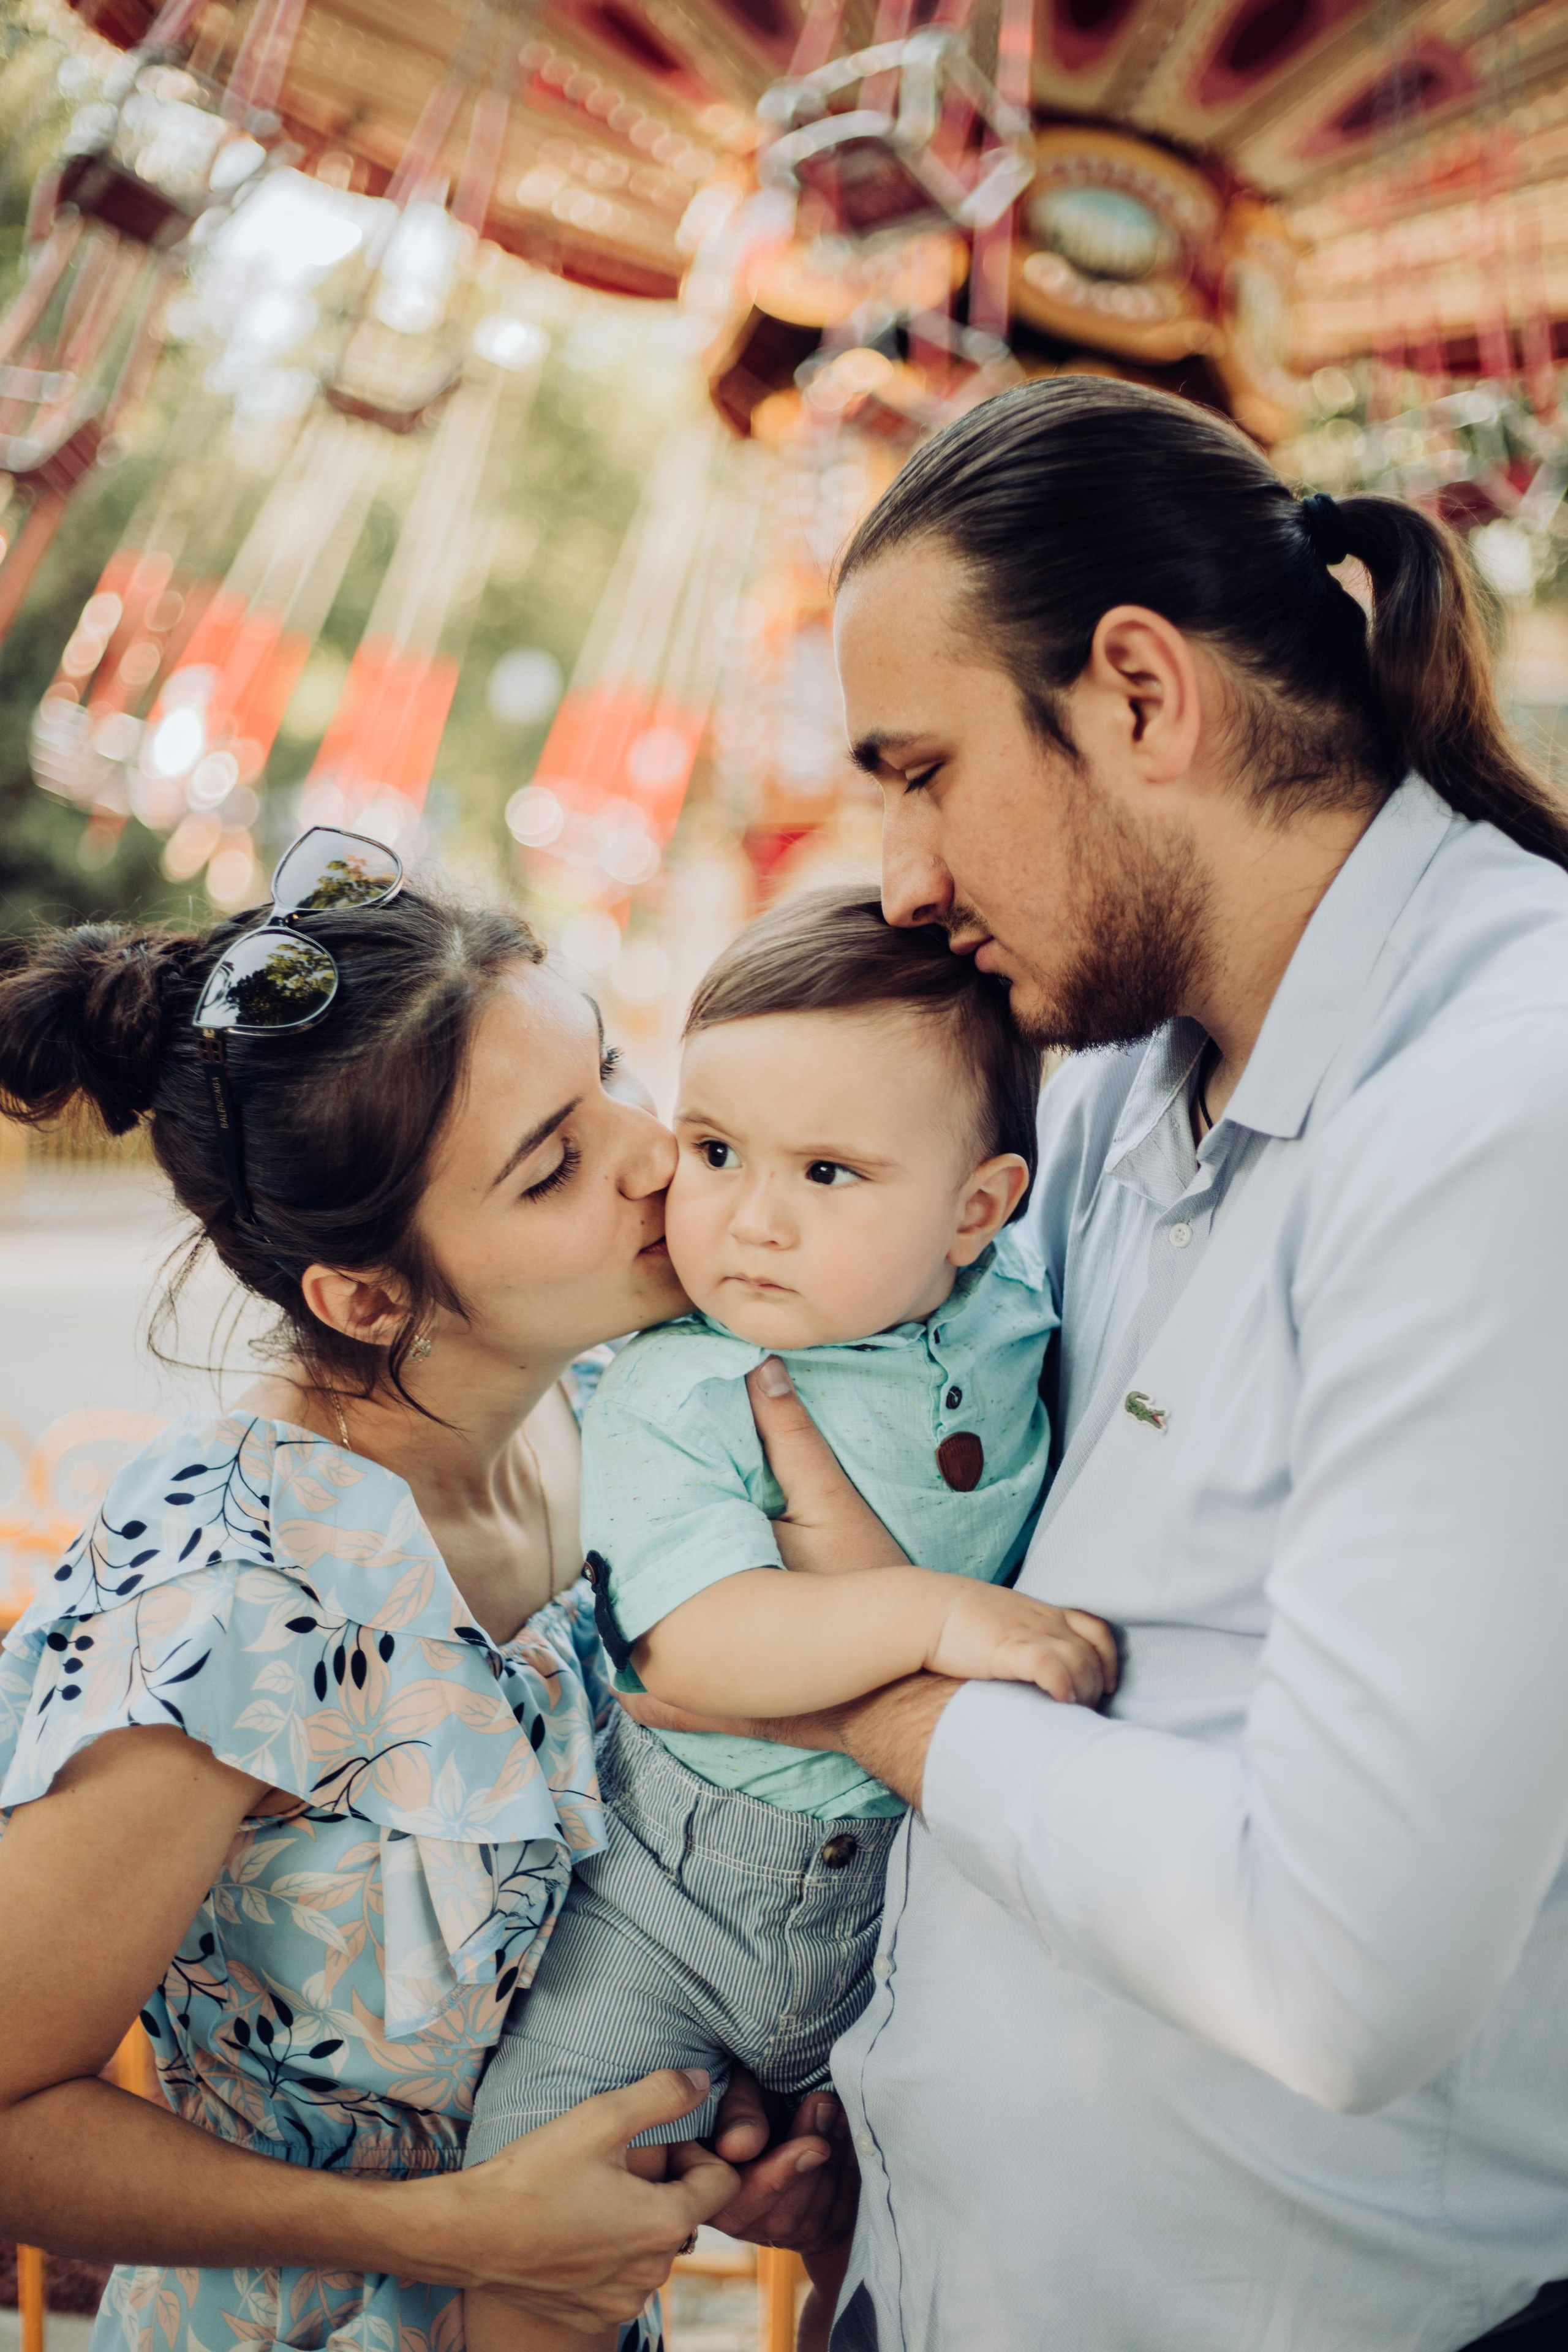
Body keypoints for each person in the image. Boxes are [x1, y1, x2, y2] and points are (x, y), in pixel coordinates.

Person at [645, 375, 1568, 2350]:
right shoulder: (1107, 1087)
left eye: (922, 773)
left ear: (1143, 696)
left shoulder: (1509, 1101)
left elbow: (1342, 1973)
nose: (902, 877)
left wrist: (864, 1690)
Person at [0, 830, 851, 2352]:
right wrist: (445, 2232)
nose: (654, 1152)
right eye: (553, 1166)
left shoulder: (619, 1416)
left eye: (609, 1071)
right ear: (368, 1295)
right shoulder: (234, 1588)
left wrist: (716, 2122)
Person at [462, 886, 1115, 2352]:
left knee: (892, 2241)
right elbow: (693, 1647)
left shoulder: (1012, 1307)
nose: (749, 1220)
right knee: (546, 2191)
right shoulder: (679, 1382)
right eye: (713, 1152)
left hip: (913, 1909)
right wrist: (936, 1615)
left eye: (827, 1171)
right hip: (669, 1900)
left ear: (976, 1210)